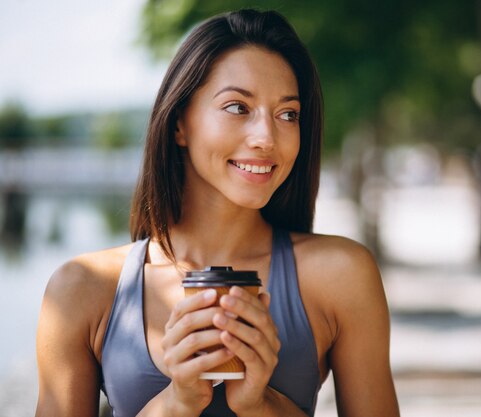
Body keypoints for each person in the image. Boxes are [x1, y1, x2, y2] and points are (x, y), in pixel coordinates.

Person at [35, 9, 399, 417]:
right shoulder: (82, 290)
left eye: (288, 114)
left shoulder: (341, 276)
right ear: (179, 124)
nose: (266, 138)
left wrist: (261, 404)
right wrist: (176, 403)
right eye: (238, 107)